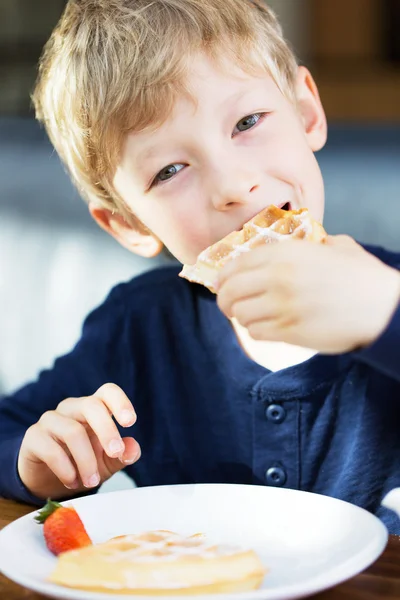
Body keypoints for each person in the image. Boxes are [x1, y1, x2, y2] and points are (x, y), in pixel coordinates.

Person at [1, 0, 400, 532]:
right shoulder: (139, 330)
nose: (233, 186)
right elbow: (9, 431)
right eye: (169, 170)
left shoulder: (388, 294)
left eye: (247, 121)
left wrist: (384, 313)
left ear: (307, 113)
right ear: (131, 225)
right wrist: (39, 462)